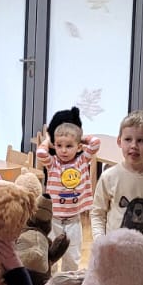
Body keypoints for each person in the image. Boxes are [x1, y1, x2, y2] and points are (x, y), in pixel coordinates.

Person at [35, 110, 101, 271]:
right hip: (54, 219)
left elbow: (95, 142)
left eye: (69, 146)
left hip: (73, 220)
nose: (63, 150)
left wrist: (79, 138)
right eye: (59, 146)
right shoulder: (53, 163)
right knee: (50, 254)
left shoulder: (82, 161)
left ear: (78, 147)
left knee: (72, 256)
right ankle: (50, 280)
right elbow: (40, 152)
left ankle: (68, 280)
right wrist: (49, 140)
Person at [91, 111, 143, 246]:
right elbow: (98, 213)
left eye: (141, 140)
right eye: (128, 139)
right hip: (115, 250)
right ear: (119, 141)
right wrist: (99, 239)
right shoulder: (109, 176)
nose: (134, 146)